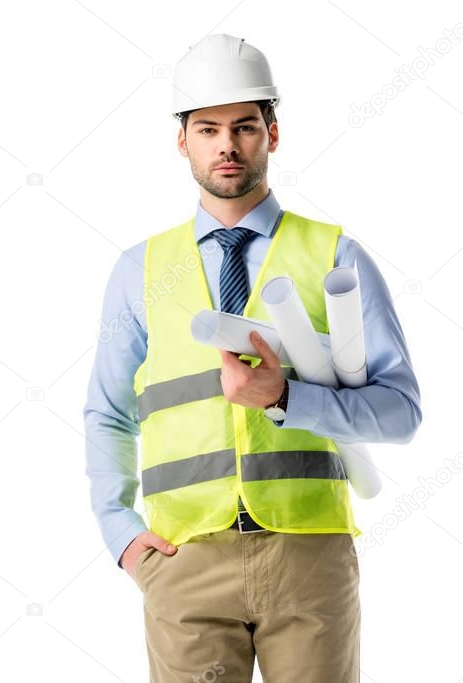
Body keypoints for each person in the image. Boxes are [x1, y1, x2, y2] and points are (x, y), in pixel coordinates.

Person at [83, 33, 422, 682]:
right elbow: (107, 413)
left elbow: (400, 412)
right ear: (181, 141)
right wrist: (120, 535)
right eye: (207, 128)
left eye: (243, 126)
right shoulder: (139, 271)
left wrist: (286, 397)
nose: (226, 145)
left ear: (272, 132)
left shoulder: (335, 257)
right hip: (184, 556)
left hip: (309, 556)